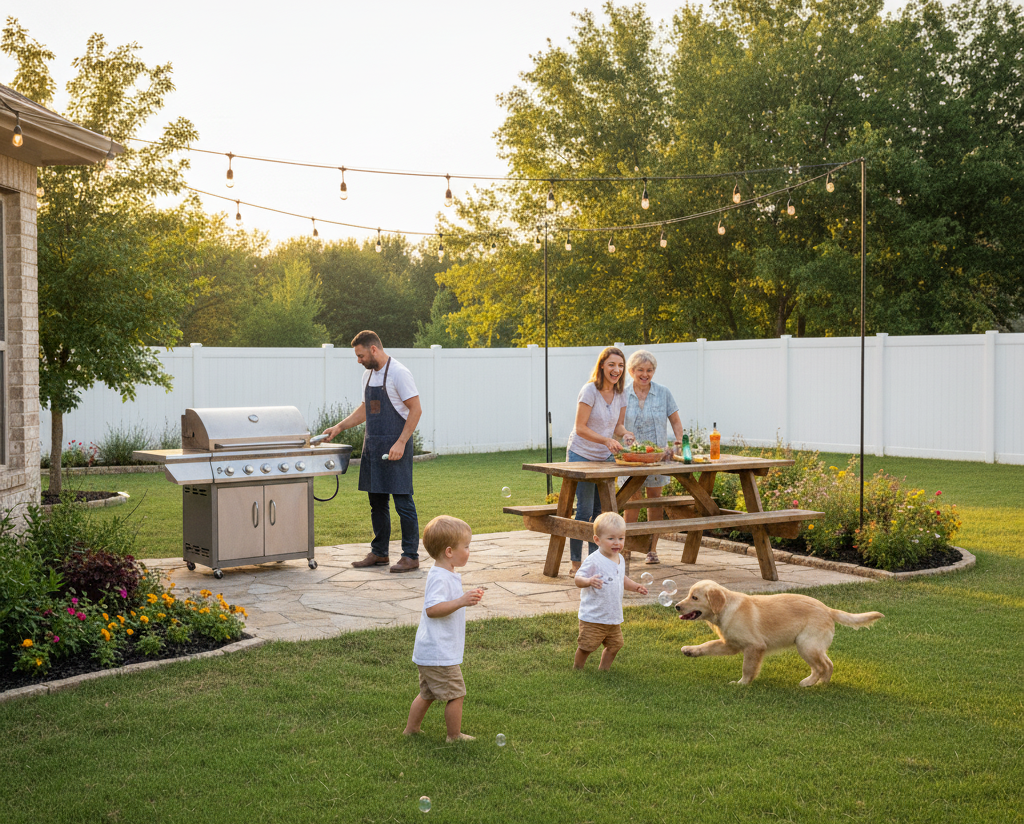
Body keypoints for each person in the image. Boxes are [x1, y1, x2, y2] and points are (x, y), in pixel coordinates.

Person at [322, 330, 423, 573]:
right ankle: (379, 553)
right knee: (376, 503)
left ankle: (411, 555)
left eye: (360, 355)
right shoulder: (368, 376)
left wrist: (400, 443)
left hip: (396, 447)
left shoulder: (399, 373)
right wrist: (339, 426)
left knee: (403, 502)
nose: (359, 361)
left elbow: (416, 410)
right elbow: (367, 409)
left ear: (373, 349)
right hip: (374, 447)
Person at [403, 515, 484, 742]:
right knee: (457, 694)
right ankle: (453, 736)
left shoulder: (446, 573)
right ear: (449, 552)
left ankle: (411, 730)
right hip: (439, 653)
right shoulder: (440, 577)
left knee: (427, 694)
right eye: (466, 547)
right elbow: (432, 609)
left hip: (432, 650)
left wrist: (465, 598)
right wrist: (461, 601)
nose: (469, 551)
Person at [565, 346, 634, 577]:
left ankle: (595, 563)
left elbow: (617, 426)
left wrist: (625, 434)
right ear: (602, 366)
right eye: (612, 364)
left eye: (620, 365)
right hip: (581, 455)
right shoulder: (589, 391)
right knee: (584, 511)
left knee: (601, 514)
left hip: (604, 457)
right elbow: (580, 428)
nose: (616, 369)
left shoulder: (621, 393)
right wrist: (606, 440)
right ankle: (576, 563)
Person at [622, 349, 685, 565]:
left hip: (658, 456)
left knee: (654, 501)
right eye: (640, 370)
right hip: (630, 457)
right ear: (631, 371)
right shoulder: (622, 393)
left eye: (649, 370)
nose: (645, 374)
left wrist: (679, 440)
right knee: (632, 501)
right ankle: (626, 548)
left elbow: (675, 421)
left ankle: (652, 549)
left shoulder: (663, 392)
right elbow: (615, 423)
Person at [572, 512, 648, 671]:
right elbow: (578, 578)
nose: (617, 543)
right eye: (611, 538)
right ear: (597, 540)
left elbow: (622, 578)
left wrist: (635, 586)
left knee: (615, 645)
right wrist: (589, 581)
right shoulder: (594, 560)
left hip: (612, 616)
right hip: (594, 616)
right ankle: (577, 669)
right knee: (587, 646)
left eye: (621, 538)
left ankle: (603, 671)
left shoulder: (620, 559)